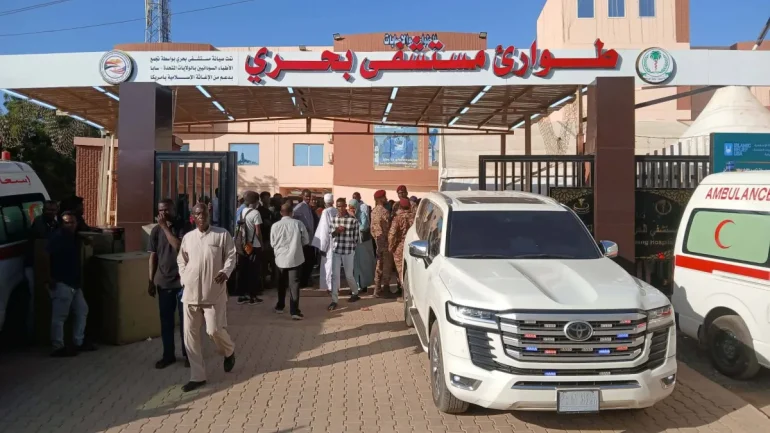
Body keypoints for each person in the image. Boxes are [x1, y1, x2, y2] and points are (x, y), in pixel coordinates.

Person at [177, 203, 237, 392]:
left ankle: (229, 350)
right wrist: (184, 277)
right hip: (191, 294)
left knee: (214, 330)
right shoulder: (188, 238)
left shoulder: (221, 235)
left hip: (214, 293)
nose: (201, 216)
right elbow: (181, 260)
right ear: (193, 217)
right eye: (197, 214)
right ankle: (198, 376)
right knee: (190, 337)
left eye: (204, 213)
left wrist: (226, 271)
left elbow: (231, 256)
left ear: (209, 214)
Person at [148, 199, 190, 369]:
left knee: (186, 322)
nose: (163, 213)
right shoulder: (155, 231)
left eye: (166, 209)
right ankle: (168, 355)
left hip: (182, 282)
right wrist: (150, 280)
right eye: (160, 210)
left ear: (173, 210)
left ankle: (189, 355)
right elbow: (153, 256)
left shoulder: (184, 227)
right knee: (166, 322)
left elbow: (179, 247)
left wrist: (165, 227)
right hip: (163, 282)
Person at [46, 211, 94, 357]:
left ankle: (78, 341)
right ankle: (57, 346)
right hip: (62, 282)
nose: (70, 225)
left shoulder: (74, 237)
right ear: (62, 224)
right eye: (66, 222)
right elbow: (45, 256)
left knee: (82, 310)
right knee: (60, 316)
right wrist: (49, 277)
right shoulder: (57, 237)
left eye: (72, 222)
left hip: (74, 283)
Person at [18, 200, 59, 339]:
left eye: (53, 210)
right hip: (33, 265)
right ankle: (31, 333)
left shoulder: (55, 224)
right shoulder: (39, 222)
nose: (50, 213)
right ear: (43, 210)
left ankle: (43, 331)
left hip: (46, 266)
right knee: (34, 298)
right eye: (48, 210)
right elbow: (45, 239)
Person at [271, 203, 310, 320]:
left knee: (281, 283)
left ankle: (280, 306)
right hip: (295, 258)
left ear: (281, 213)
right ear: (292, 213)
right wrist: (297, 245)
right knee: (294, 284)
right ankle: (294, 311)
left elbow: (272, 243)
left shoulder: (275, 226)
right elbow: (306, 240)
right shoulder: (298, 224)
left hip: (280, 259)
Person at [327, 198, 361, 311]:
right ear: (336, 207)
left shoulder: (353, 220)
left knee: (348, 275)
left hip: (348, 251)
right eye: (338, 206)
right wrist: (336, 231)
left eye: (342, 206)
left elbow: (356, 238)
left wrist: (352, 248)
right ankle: (334, 300)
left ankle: (355, 292)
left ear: (345, 206)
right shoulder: (333, 219)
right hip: (336, 251)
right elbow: (330, 234)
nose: (340, 208)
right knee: (335, 276)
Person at [235, 191, 263, 305]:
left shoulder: (241, 211)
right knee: (254, 271)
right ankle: (253, 296)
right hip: (254, 246)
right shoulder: (256, 213)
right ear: (255, 201)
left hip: (243, 245)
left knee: (243, 270)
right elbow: (258, 231)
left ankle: (242, 295)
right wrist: (261, 243)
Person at [370, 190, 394, 298]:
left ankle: (377, 289)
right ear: (380, 199)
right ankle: (386, 289)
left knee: (379, 266)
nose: (386, 198)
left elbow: (372, 229)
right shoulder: (384, 211)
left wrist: (376, 239)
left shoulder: (373, 211)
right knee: (387, 266)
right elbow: (387, 228)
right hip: (385, 242)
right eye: (384, 197)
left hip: (378, 242)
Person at [349, 199, 375, 294]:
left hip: (362, 244)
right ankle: (356, 286)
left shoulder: (362, 214)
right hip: (353, 243)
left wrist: (355, 219)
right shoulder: (349, 215)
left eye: (353, 208)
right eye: (350, 208)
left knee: (363, 265)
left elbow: (364, 227)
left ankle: (363, 285)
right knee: (355, 266)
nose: (352, 210)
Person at [312, 194, 337, 291]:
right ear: (333, 201)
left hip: (328, 244)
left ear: (324, 202)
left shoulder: (326, 212)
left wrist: (322, 247)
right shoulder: (336, 210)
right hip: (336, 242)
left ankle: (328, 287)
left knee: (327, 266)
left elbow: (324, 230)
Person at [389, 198, 415, 288]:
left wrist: (391, 247)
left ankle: (403, 290)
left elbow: (392, 234)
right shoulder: (416, 217)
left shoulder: (397, 218)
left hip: (400, 246)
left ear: (400, 206)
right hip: (413, 245)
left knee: (400, 270)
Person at [293, 189, 316, 287]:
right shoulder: (300, 207)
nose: (308, 198)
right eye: (306, 196)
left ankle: (305, 281)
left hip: (310, 239)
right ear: (302, 196)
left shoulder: (308, 207)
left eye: (309, 196)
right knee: (306, 261)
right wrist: (302, 227)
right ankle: (302, 282)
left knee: (310, 261)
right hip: (304, 240)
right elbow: (293, 217)